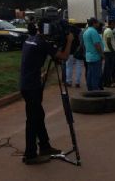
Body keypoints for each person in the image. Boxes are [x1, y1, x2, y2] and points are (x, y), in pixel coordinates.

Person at [19, 20, 73, 165]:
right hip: (32, 86)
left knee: (38, 115)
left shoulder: (31, 39)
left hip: (28, 84)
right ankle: (30, 155)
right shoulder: (43, 43)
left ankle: (44, 146)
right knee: (32, 119)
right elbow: (64, 56)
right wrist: (69, 41)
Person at [83, 18, 104, 91]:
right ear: (94, 23)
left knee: (90, 74)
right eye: (97, 23)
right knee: (96, 75)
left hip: (88, 56)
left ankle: (90, 90)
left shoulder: (86, 31)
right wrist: (101, 54)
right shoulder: (93, 31)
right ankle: (95, 91)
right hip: (95, 56)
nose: (98, 24)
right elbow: (97, 44)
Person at [102, 20, 115, 87]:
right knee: (109, 68)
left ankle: (105, 82)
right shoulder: (109, 31)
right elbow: (108, 42)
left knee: (106, 68)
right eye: (114, 25)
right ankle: (108, 83)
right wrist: (112, 50)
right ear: (111, 24)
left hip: (106, 51)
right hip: (109, 52)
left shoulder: (106, 30)